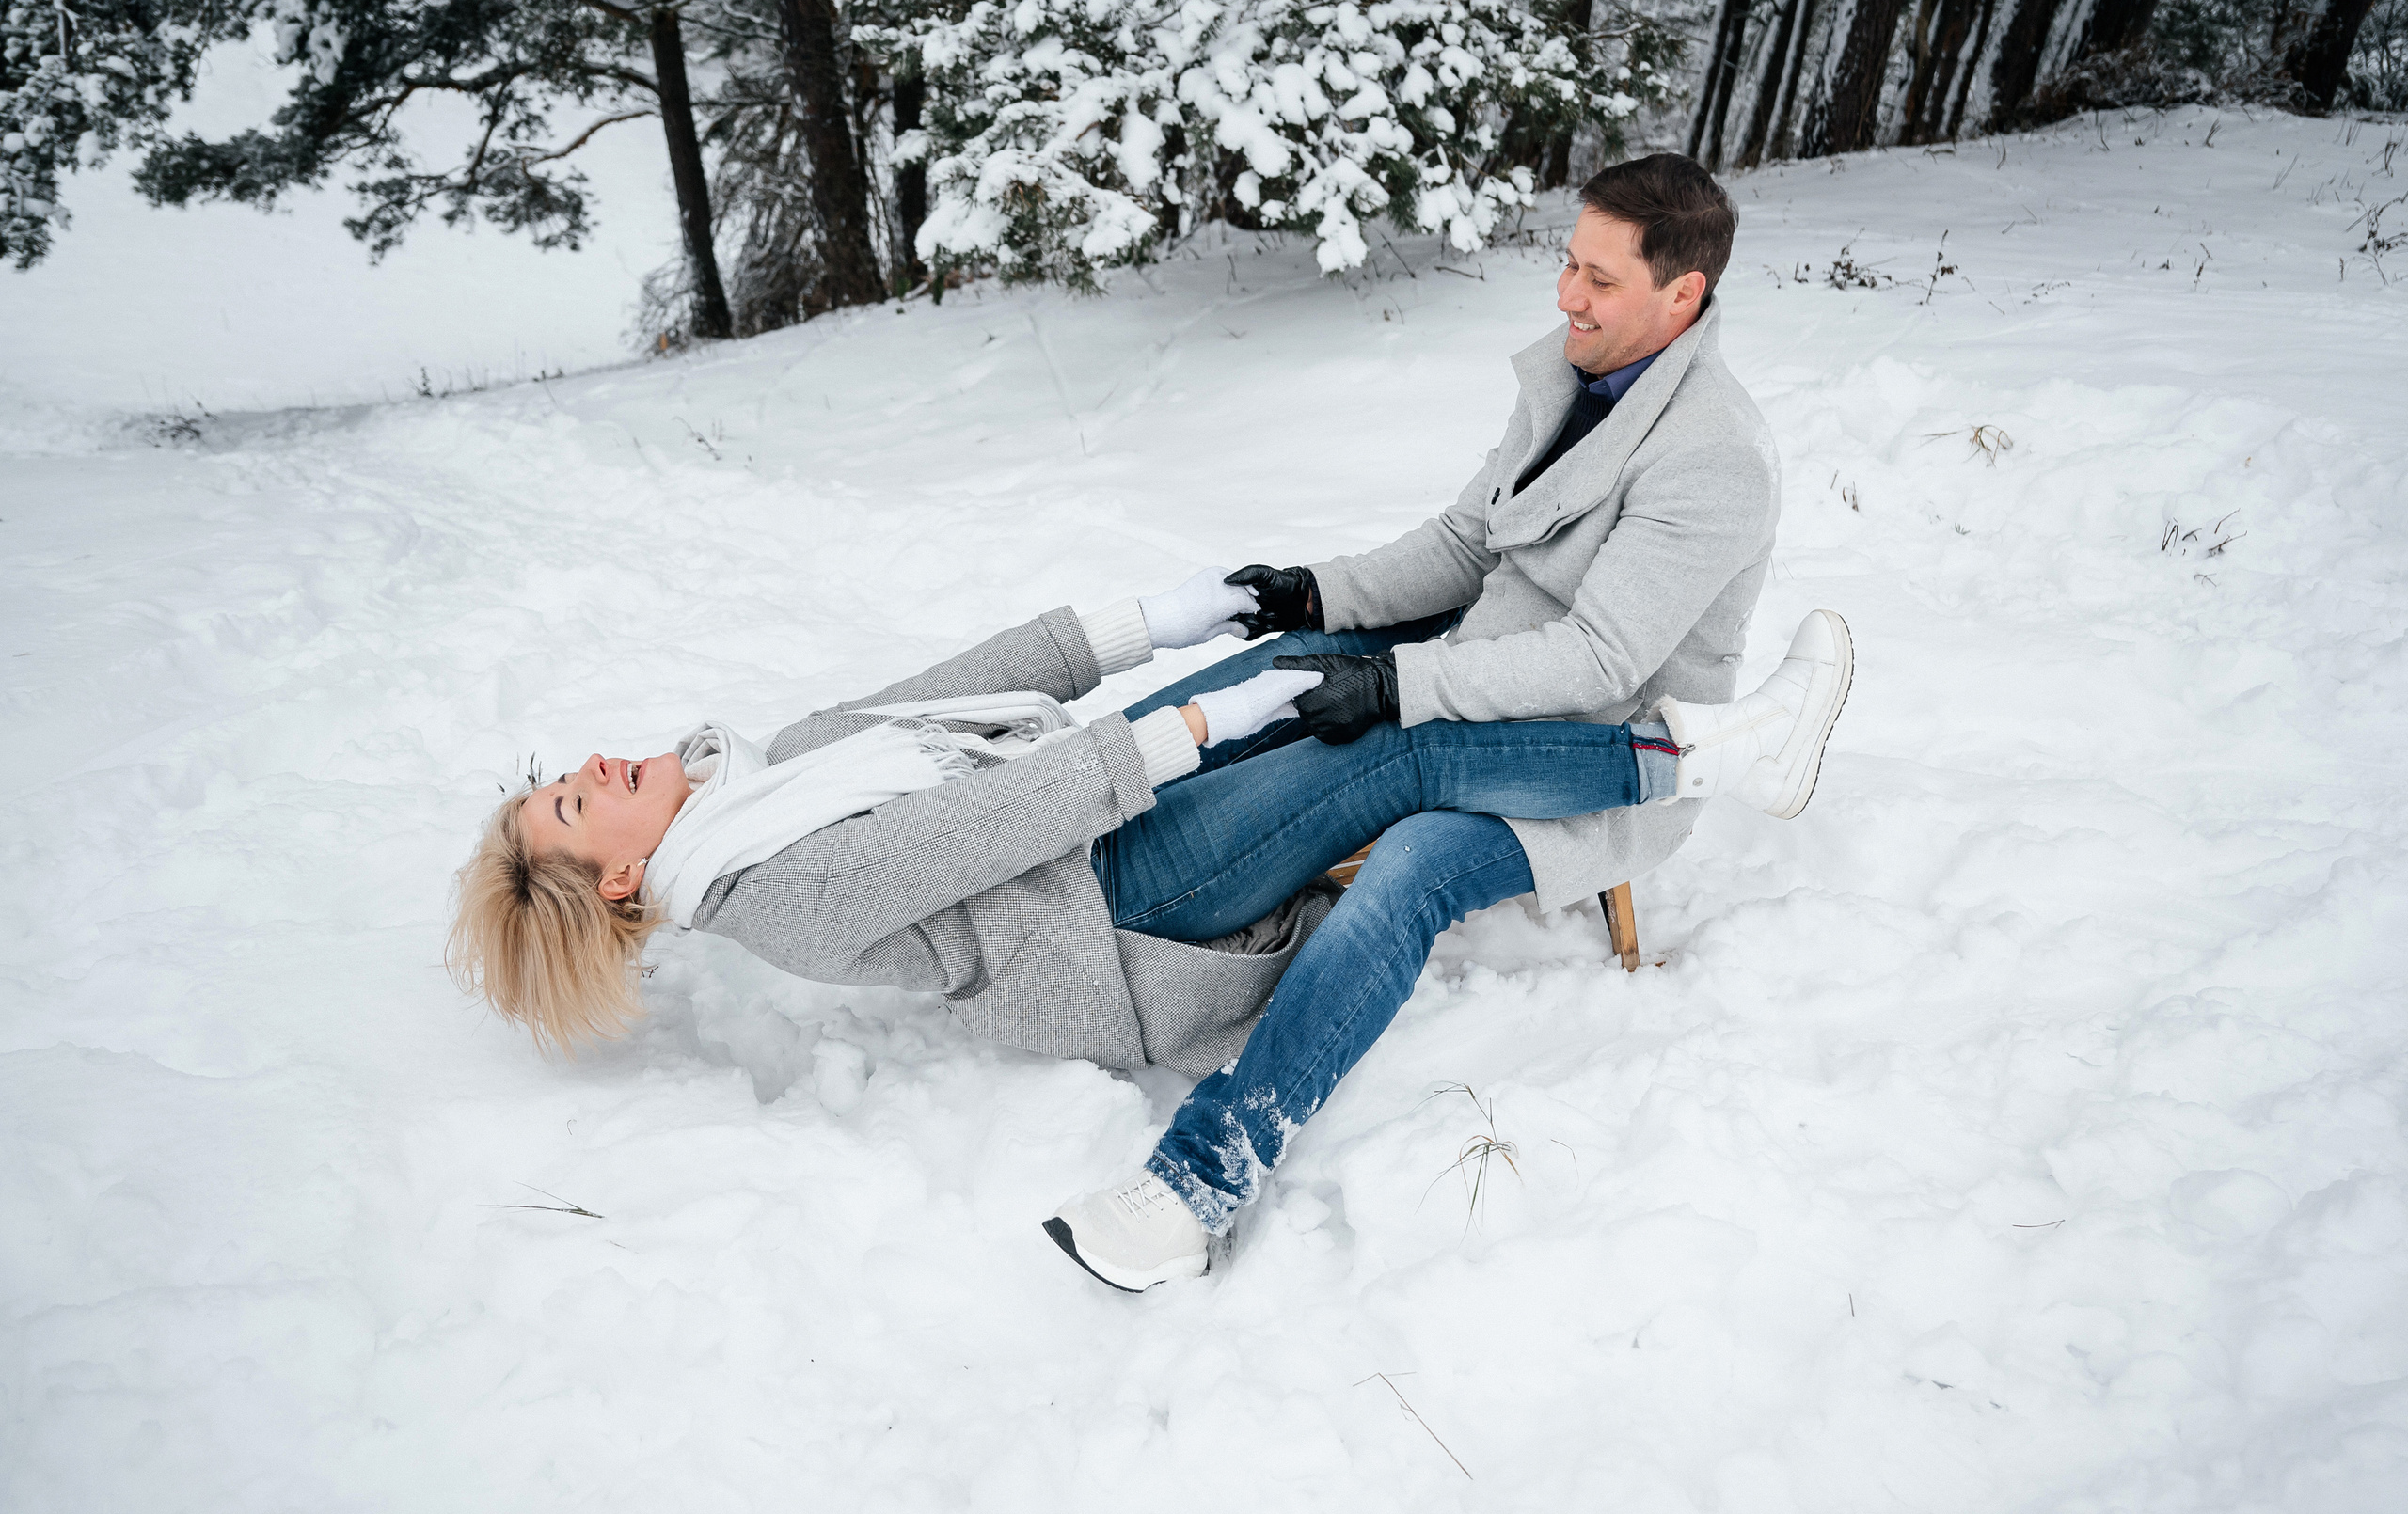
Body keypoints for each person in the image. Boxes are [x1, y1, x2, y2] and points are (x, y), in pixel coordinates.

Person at [444, 574, 1847, 1217]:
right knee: (1388, 743)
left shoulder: (755, 776)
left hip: (1094, 819)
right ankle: (1697, 756)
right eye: (573, 801)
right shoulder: (768, 890)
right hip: (1121, 911)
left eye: (568, 774)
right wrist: (1197, 731)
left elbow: (940, 689)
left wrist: (1143, 628)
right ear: (618, 873)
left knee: (1318, 644)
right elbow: (993, 823)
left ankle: (1579, 684)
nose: (595, 766)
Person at [1038, 152, 1821, 1291]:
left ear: (1681, 294)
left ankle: (1199, 1185)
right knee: (1291, 659)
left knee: (1409, 861)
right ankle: (1064, 799)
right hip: (1479, 667)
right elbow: (1466, 545)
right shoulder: (1576, 374)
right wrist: (1314, 592)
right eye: (1568, 264)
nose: (1567, 297)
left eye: (1599, 279)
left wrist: (1403, 688)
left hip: (1600, 751)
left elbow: (1598, 657)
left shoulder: (1713, 457)